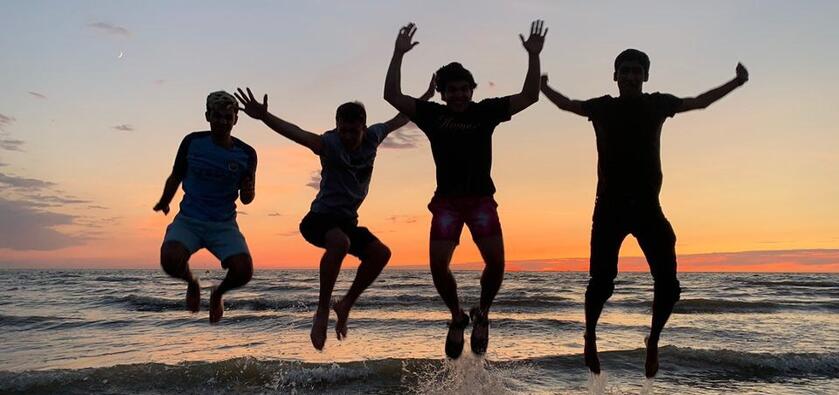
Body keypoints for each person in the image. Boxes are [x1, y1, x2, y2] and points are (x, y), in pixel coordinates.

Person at [540, 49, 749, 377]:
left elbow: (700, 101)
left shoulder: (658, 103)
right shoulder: (603, 107)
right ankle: (590, 336)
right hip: (609, 207)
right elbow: (567, 104)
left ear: (646, 76)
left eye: (638, 71)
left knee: (669, 285)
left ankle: (652, 341)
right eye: (625, 71)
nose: (631, 76)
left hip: (648, 207)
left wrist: (735, 83)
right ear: (616, 76)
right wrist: (544, 87)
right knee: (601, 283)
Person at [384, 21, 547, 359]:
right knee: (438, 266)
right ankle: (457, 316)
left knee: (497, 262)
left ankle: (483, 312)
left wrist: (533, 57)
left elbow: (530, 96)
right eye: (451, 90)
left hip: (481, 200)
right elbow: (392, 96)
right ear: (442, 93)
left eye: (463, 89)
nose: (458, 95)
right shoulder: (432, 115)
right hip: (446, 203)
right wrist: (398, 54)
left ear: (472, 89)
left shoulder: (485, 112)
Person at [235, 79, 434, 350]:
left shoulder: (375, 136)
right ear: (336, 127)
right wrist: (265, 116)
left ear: (364, 128)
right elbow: (296, 132)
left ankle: (345, 304)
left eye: (354, 132)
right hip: (318, 220)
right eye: (344, 131)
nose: (349, 137)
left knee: (381, 253)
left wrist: (425, 97)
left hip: (347, 222)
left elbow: (402, 117)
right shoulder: (329, 144)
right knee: (341, 243)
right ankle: (321, 312)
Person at [154, 91, 258, 324]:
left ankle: (218, 294)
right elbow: (176, 175)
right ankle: (192, 283)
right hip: (190, 220)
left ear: (235, 119)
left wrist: (249, 192)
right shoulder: (192, 142)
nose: (222, 121)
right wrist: (164, 201)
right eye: (217, 116)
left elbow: (247, 199)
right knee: (169, 259)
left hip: (223, 224)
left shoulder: (247, 154)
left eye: (227, 117)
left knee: (244, 270)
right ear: (208, 116)